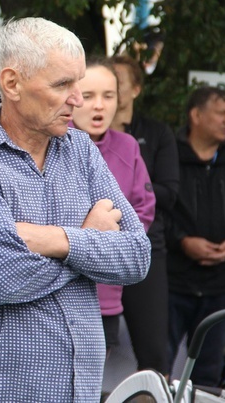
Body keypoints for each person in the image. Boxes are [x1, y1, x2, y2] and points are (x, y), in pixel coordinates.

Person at [0, 17, 151, 402]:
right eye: (63, 84)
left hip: (77, 390)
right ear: (12, 83)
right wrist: (89, 238)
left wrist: (55, 239)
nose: (78, 99)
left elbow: (136, 257)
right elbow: (1, 278)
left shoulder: (81, 151)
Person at [71, 59, 156, 355]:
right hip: (55, 294)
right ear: (71, 95)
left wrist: (103, 243)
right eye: (89, 95)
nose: (99, 106)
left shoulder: (128, 146)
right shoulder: (51, 142)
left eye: (108, 96)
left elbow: (142, 212)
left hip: (107, 295)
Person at [109, 53, 178, 374]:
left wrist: (124, 211)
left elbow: (165, 193)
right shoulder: (78, 138)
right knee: (88, 354)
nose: (112, 95)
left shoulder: (152, 134)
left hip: (144, 246)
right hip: (97, 250)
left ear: (135, 89)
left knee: (154, 353)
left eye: (115, 87)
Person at [166, 86, 225, 387]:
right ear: (196, 115)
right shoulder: (169, 157)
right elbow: (155, 210)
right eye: (221, 113)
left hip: (220, 286)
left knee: (208, 374)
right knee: (159, 364)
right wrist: (182, 241)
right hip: (173, 283)